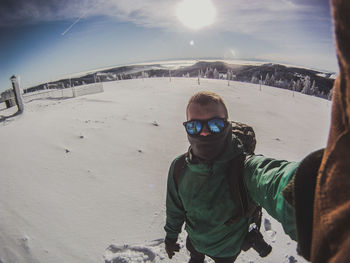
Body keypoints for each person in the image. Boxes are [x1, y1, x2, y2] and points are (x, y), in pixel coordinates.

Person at [164, 91, 299, 262]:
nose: (204, 133)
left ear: (226, 126)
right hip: (195, 243)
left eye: (214, 125)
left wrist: (310, 188)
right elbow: (174, 208)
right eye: (194, 127)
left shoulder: (245, 167)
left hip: (227, 250)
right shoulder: (179, 167)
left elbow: (274, 180)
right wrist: (170, 236)